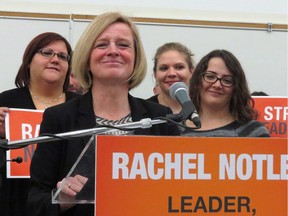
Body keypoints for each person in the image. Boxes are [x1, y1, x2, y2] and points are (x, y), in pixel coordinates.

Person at [27, 12, 180, 216]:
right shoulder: (59, 118)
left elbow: (177, 193)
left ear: (136, 58)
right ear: (87, 56)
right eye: (102, 45)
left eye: (123, 45)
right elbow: (35, 201)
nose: (113, 51)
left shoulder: (160, 118)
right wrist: (61, 199)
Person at [0, 32, 79, 216]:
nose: (55, 59)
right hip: (13, 202)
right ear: (29, 60)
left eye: (62, 56)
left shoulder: (81, 106)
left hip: (67, 204)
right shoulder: (6, 101)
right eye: (46, 52)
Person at [182, 49, 270, 137]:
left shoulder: (253, 132)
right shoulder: (175, 127)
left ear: (236, 88)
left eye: (227, 80)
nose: (217, 85)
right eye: (210, 76)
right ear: (198, 80)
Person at [147, 42, 195, 114]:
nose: (171, 73)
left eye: (179, 67)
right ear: (155, 74)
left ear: (191, 71)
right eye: (164, 68)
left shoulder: (207, 109)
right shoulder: (142, 110)